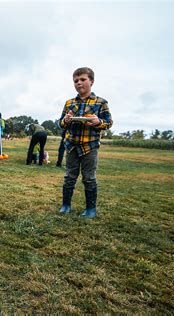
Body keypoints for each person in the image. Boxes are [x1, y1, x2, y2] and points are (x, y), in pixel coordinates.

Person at [58, 67, 113, 218]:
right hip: (71, 145)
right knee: (69, 177)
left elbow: (109, 123)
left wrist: (98, 122)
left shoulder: (101, 102)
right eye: (76, 81)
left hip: (90, 146)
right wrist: (66, 120)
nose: (79, 83)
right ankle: (66, 205)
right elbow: (61, 124)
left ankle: (90, 209)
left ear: (92, 81)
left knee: (89, 178)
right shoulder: (69, 103)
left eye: (83, 79)